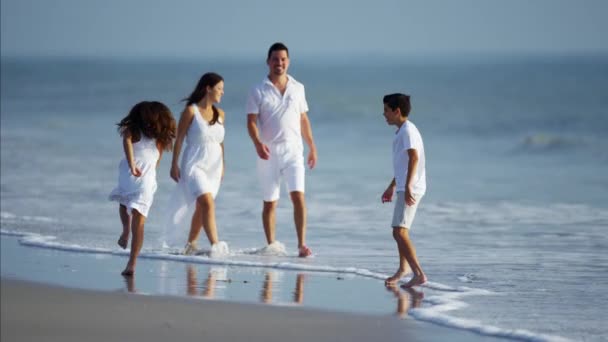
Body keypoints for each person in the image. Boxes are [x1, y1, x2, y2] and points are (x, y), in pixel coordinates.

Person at [246, 42, 317, 257]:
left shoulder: (298, 87)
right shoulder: (258, 90)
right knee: (270, 202)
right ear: (268, 62)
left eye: (283, 59)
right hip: (268, 152)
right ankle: (271, 244)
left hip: (294, 151)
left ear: (288, 61)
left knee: (298, 197)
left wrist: (312, 146)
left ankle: (302, 245)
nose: (280, 63)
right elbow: (251, 121)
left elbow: (303, 119)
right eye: (275, 59)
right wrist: (258, 144)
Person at [109, 101, 176, 276]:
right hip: (129, 176)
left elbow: (156, 161)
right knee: (124, 205)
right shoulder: (134, 131)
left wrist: (149, 174)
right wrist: (131, 164)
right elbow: (127, 141)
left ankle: (132, 263)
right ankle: (125, 231)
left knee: (139, 220)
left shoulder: (160, 139)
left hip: (145, 181)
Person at [167, 72, 229, 256]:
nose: (222, 93)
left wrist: (223, 164)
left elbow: (220, 142)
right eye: (219, 89)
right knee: (208, 203)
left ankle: (191, 244)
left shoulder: (221, 114)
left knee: (203, 206)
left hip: (214, 167)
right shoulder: (190, 111)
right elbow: (178, 140)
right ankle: (216, 245)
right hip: (194, 164)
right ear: (207, 89)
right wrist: (174, 165)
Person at [380, 93, 427, 288]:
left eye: (386, 111)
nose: (384, 115)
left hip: (411, 187)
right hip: (404, 186)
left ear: (396, 111)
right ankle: (403, 269)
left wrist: (407, 186)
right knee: (400, 230)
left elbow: (414, 158)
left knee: (399, 232)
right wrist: (392, 186)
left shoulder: (408, 131)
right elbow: (403, 164)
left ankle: (418, 273)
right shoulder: (402, 131)